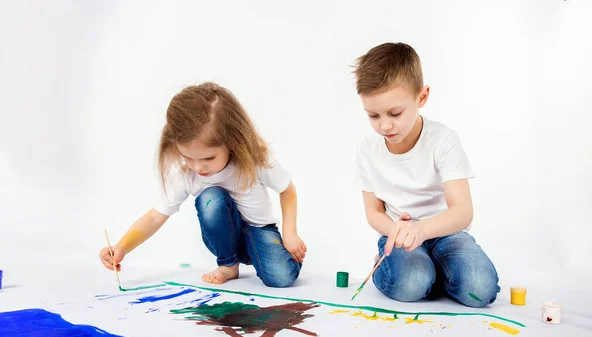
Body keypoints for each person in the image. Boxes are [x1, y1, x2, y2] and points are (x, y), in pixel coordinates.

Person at [99, 83, 306, 287]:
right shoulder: (188, 175)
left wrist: (290, 234)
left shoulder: (254, 161)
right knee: (210, 198)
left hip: (259, 230)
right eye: (188, 157)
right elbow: (154, 217)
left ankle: (273, 257)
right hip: (224, 236)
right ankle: (228, 265)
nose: (198, 167)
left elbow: (287, 190)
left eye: (209, 158)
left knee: (281, 278)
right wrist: (122, 247)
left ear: (232, 142)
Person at [353, 42, 499, 307]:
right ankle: (400, 271)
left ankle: (430, 274)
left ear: (421, 97)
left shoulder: (443, 140)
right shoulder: (367, 150)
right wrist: (397, 230)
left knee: (480, 289)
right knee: (411, 285)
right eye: (373, 115)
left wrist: (421, 230)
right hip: (399, 236)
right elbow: (373, 212)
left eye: (395, 113)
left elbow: (462, 211)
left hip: (446, 232)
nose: (384, 125)